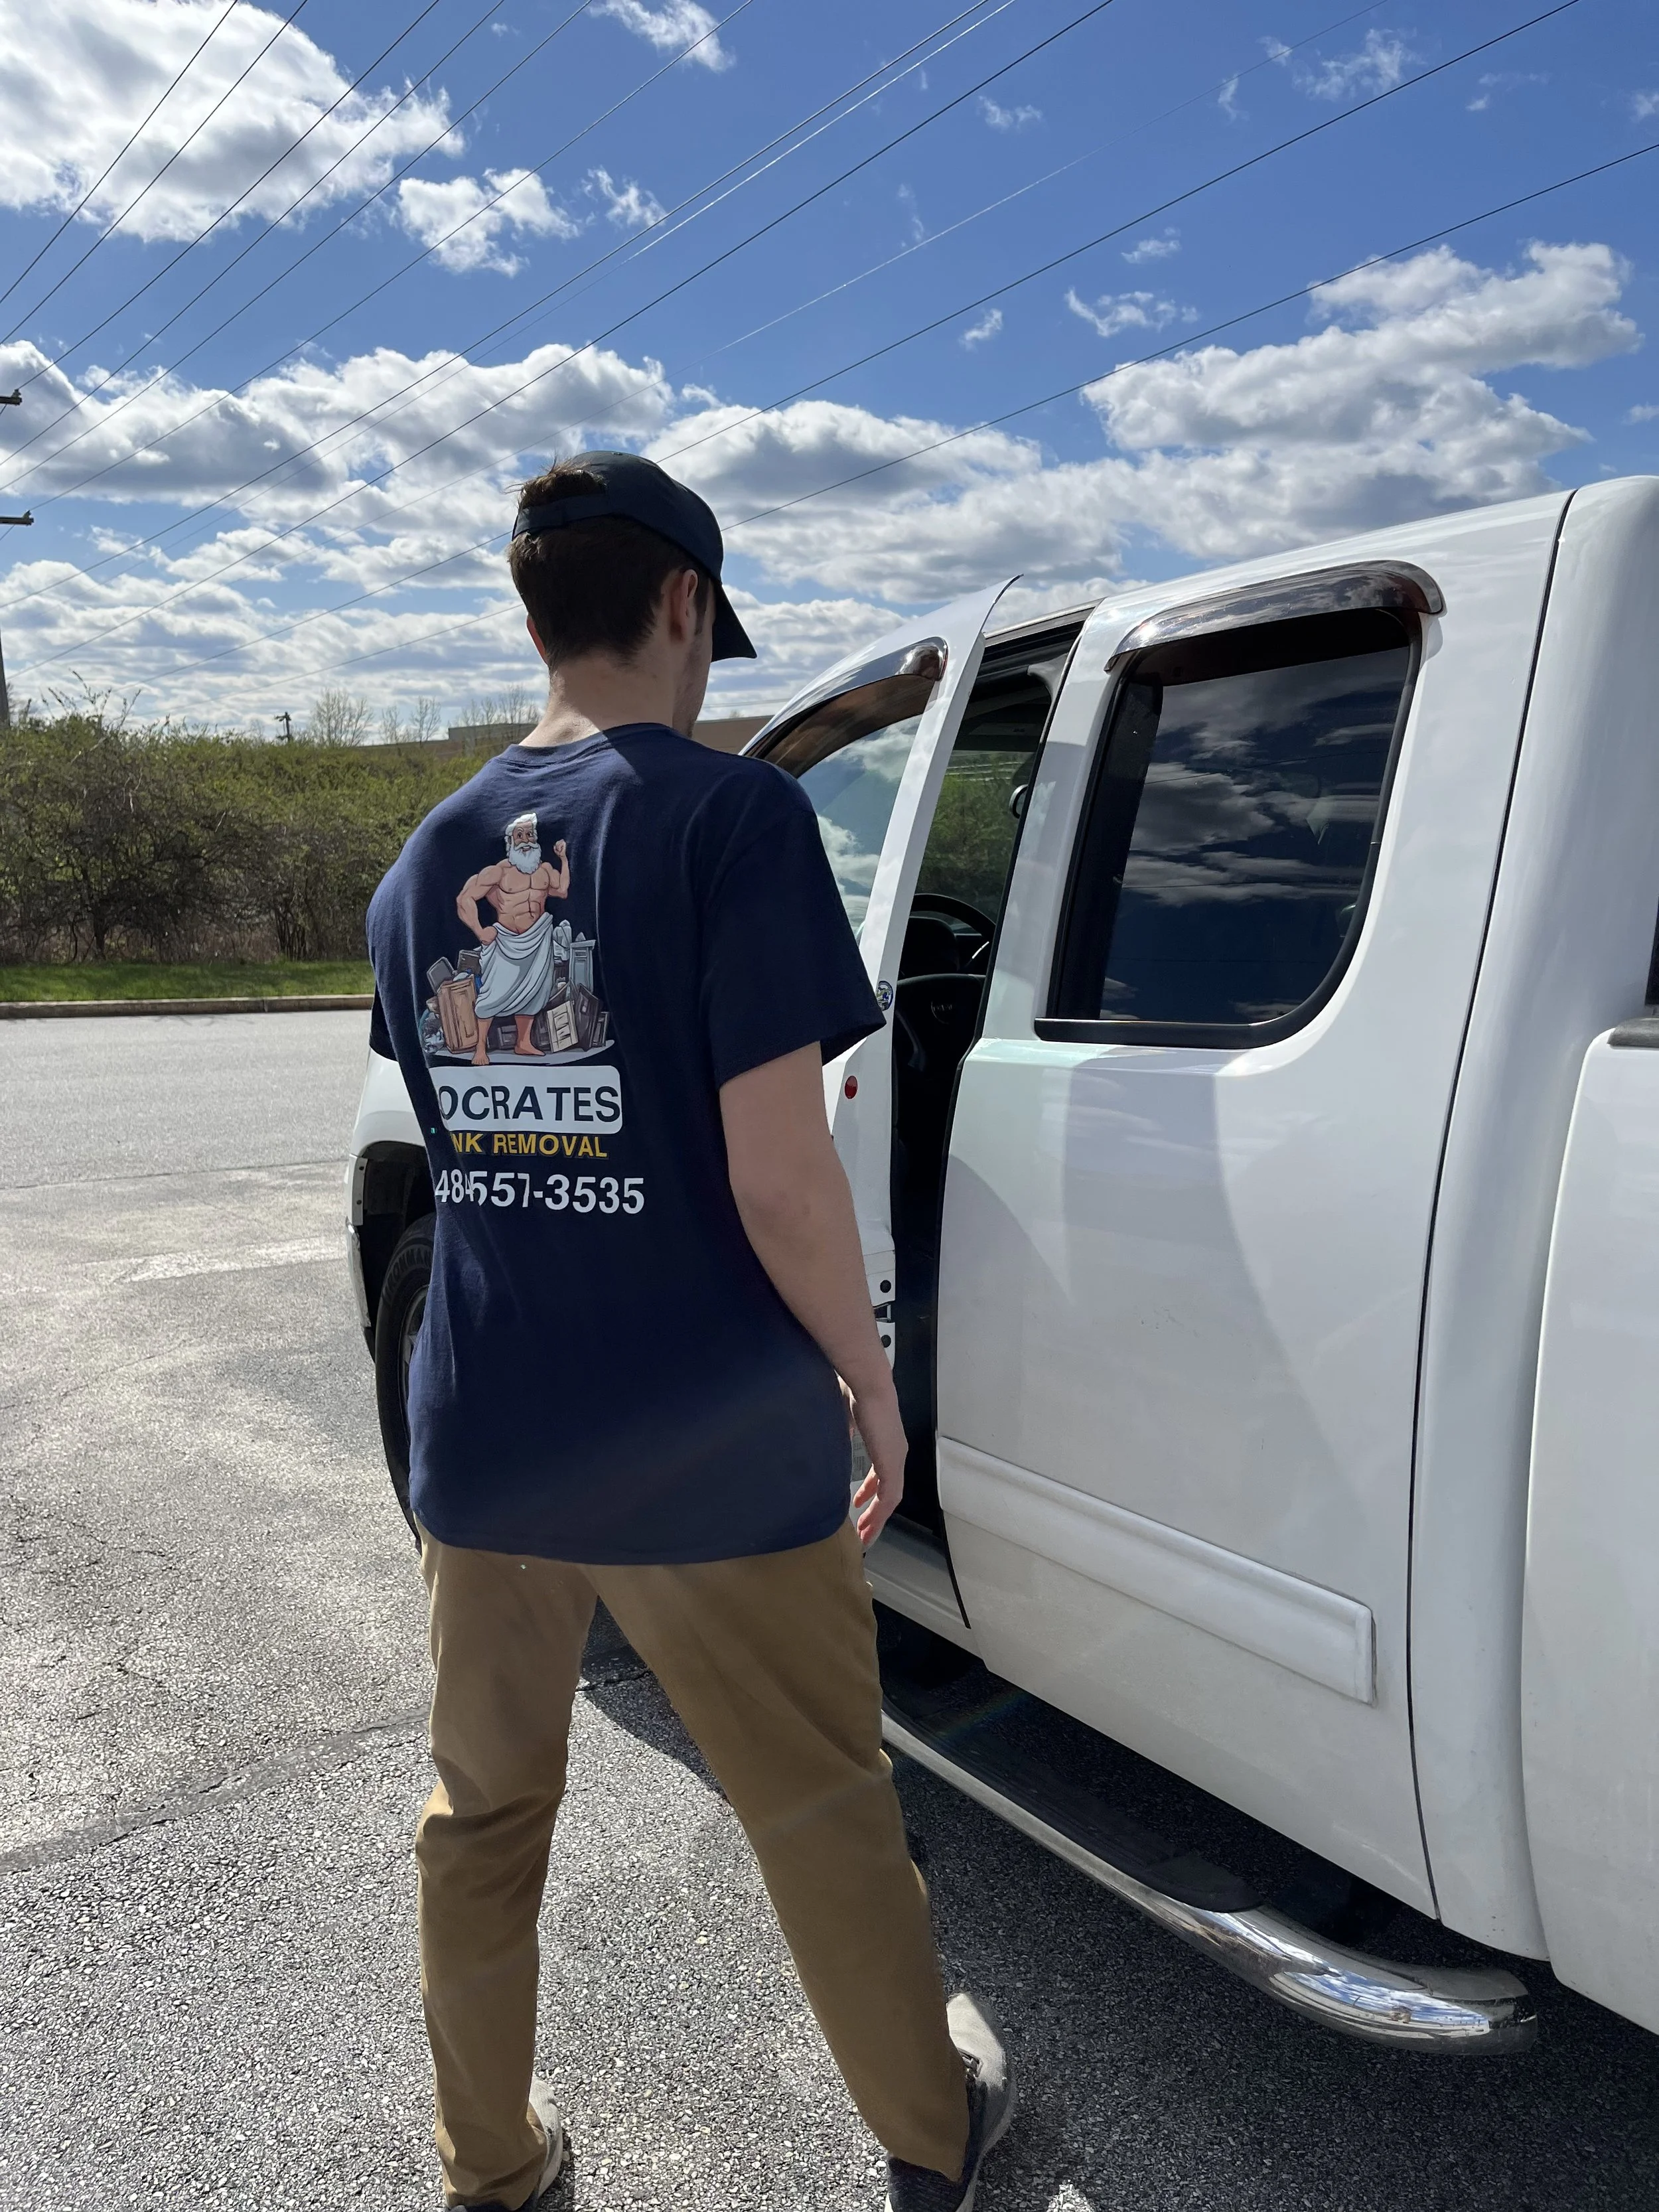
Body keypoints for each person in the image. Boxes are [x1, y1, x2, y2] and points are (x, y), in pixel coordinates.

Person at [366, 449, 1015, 2212]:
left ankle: (492, 2165)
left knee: (481, 1814)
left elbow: (477, 1137)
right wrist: (873, 1382)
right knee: (817, 1801)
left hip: (489, 1434)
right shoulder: (735, 821)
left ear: (530, 616)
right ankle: (930, 2133)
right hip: (709, 1436)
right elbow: (779, 1178)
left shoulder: (423, 863)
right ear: (681, 604)